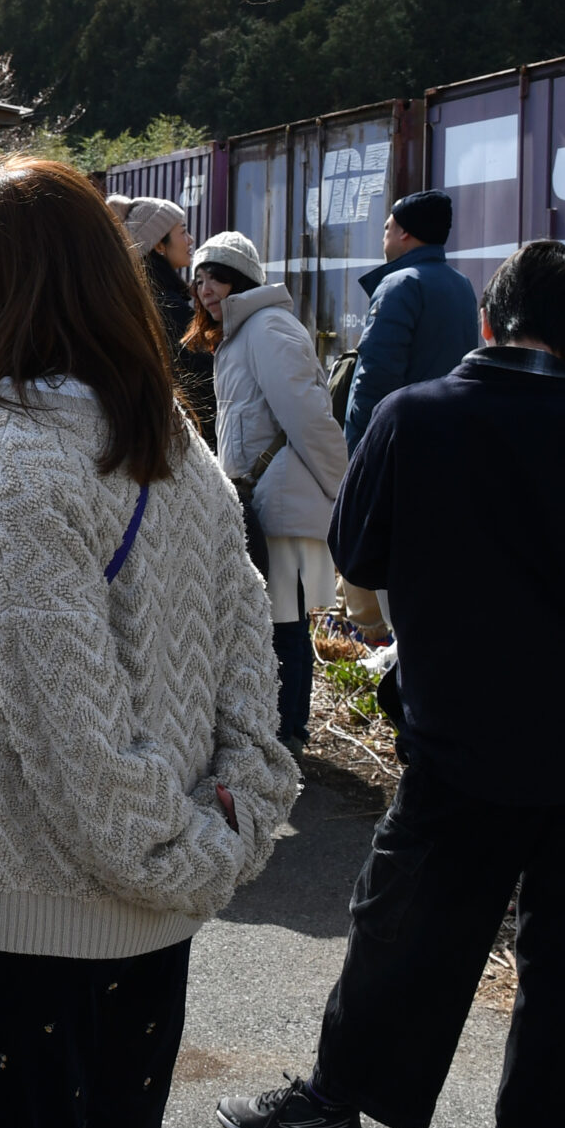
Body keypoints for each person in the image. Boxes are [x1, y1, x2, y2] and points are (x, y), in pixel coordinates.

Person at [217, 241, 565, 1128]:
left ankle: (335, 1102)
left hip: (460, 729)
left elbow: (360, 552)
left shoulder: (412, 415)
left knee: (409, 923)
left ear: (487, 321)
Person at [0, 157, 300, 1128]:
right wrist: (217, 832)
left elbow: (60, 712)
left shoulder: (8, 444)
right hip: (154, 904)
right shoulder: (166, 434)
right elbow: (243, 656)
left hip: (27, 894)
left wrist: (166, 849)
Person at [183, 230, 348, 743]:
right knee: (279, 622)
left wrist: (344, 494)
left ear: (245, 278)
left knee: (284, 626)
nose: (207, 288)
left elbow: (311, 420)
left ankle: (287, 736)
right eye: (200, 278)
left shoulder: (267, 327)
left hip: (282, 498)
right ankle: (283, 733)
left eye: (219, 276)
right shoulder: (242, 331)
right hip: (265, 497)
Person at [341, 190, 478, 450]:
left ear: (404, 233)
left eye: (387, 227)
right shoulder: (462, 284)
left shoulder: (399, 284)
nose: (384, 236)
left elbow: (377, 375)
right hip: (446, 438)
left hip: (399, 443)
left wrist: (360, 442)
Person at [114, 194, 214, 436]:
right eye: (183, 232)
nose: (190, 240)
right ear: (159, 245)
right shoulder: (168, 309)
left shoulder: (140, 300)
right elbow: (209, 379)